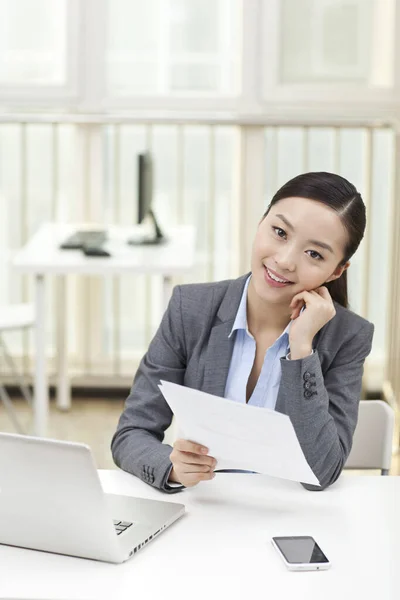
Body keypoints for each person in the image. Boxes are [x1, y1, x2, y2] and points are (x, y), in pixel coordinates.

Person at [111, 171, 374, 493]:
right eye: (279, 232)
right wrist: (173, 468)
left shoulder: (348, 337)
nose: (285, 260)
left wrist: (302, 348)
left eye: (314, 254)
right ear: (260, 223)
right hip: (204, 509)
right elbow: (131, 433)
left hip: (289, 516)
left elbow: (321, 473)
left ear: (337, 270)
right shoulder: (191, 308)